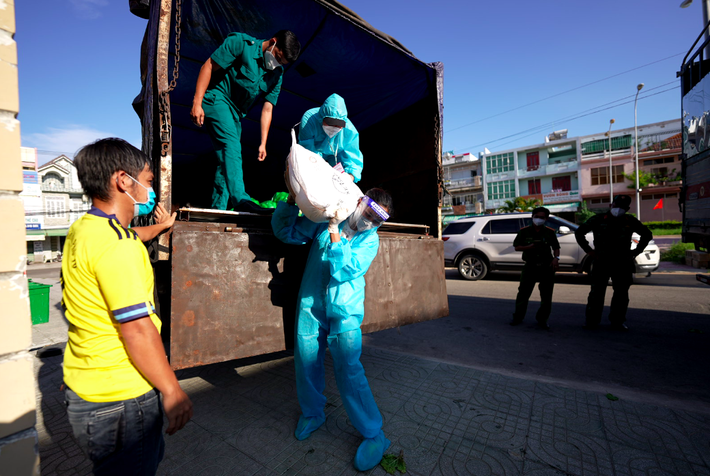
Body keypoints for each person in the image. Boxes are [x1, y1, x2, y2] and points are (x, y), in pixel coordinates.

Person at [62, 138, 193, 475]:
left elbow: (132, 237)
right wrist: (172, 390)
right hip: (122, 400)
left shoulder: (84, 230)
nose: (149, 190)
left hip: (86, 390)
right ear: (123, 180)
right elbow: (136, 329)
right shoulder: (118, 245)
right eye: (148, 181)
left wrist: (162, 226)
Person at [271, 183, 392, 472]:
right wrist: (291, 200)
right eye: (371, 213)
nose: (371, 222)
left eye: (379, 220)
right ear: (361, 202)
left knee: (349, 369)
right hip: (312, 304)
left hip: (345, 310)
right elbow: (286, 232)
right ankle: (313, 413)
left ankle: (375, 434)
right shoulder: (327, 218)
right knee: (306, 361)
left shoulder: (369, 240)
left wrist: (335, 232)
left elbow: (346, 270)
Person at [191, 30, 301, 214]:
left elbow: (267, 109)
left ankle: (217, 210)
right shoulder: (241, 44)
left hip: (236, 113)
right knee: (232, 146)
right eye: (278, 57)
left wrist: (263, 143)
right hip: (217, 97)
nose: (277, 64)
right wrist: (197, 102)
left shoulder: (277, 74)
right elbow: (209, 66)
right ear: (273, 42)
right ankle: (241, 199)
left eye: (282, 63)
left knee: (224, 161)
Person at [575, 195, 653, 331]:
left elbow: (647, 235)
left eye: (622, 207)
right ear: (611, 205)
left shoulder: (630, 221)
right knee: (596, 293)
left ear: (627, 208)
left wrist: (635, 252)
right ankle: (592, 321)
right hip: (601, 262)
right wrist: (589, 251)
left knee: (621, 294)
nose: (618, 209)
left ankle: (617, 321)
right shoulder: (598, 219)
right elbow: (579, 233)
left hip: (622, 263)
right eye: (616, 206)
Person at [510, 206, 560, 329]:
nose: (538, 219)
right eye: (536, 217)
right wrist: (529, 247)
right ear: (532, 217)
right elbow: (517, 247)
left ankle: (542, 319)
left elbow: (556, 247)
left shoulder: (549, 232)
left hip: (546, 267)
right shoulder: (524, 231)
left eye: (541, 217)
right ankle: (518, 317)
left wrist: (556, 258)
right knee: (523, 293)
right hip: (530, 266)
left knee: (546, 295)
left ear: (546, 219)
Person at [299, 93, 363, 182]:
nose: (334, 128)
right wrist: (320, 169)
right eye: (330, 123)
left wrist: (349, 177)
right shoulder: (309, 121)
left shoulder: (350, 132)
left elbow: (353, 159)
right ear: (321, 118)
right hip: (313, 154)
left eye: (338, 125)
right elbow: (308, 149)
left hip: (337, 157)